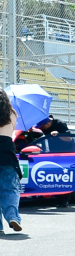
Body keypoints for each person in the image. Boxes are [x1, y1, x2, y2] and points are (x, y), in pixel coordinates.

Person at [0, 89, 24, 233]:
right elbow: (12, 132)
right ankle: (12, 216)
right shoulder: (13, 114)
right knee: (10, 188)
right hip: (8, 153)